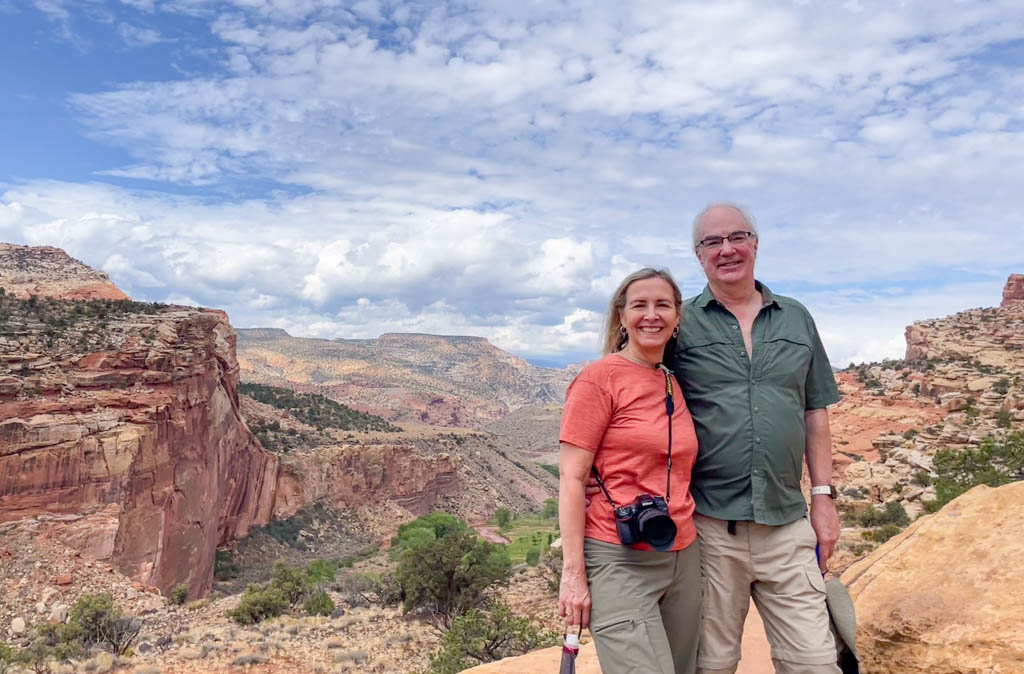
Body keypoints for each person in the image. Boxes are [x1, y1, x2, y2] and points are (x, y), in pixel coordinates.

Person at [676, 203, 843, 674]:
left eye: (737, 237)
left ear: (755, 244)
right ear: (698, 254)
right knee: (711, 665)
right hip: (710, 530)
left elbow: (815, 411)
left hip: (787, 526)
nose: (726, 249)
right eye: (713, 242)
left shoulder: (796, 318)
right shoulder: (681, 324)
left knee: (814, 663)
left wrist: (824, 498)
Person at [558, 268, 702, 674]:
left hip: (682, 554)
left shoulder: (672, 379)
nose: (651, 315)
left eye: (663, 305)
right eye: (640, 305)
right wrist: (574, 575)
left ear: (676, 317)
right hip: (618, 554)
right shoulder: (598, 379)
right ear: (621, 316)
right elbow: (571, 478)